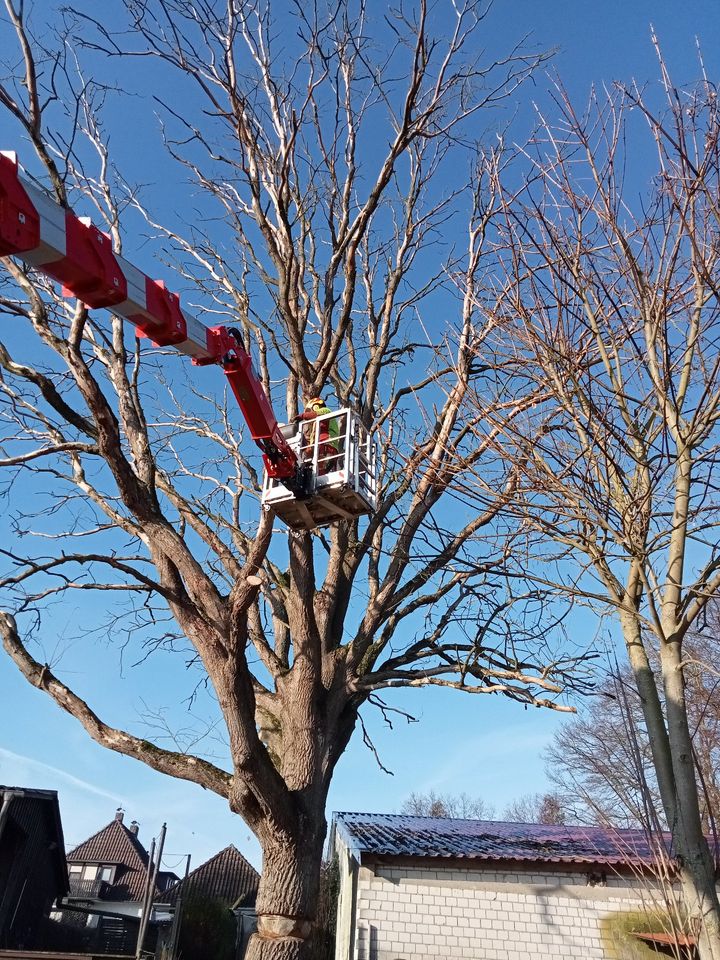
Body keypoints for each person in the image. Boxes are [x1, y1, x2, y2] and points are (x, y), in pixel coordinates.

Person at [295, 396, 340, 474]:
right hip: (322, 448)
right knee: (317, 473)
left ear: (315, 406)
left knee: (319, 471)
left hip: (327, 445)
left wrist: (302, 416)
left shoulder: (326, 411)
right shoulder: (316, 428)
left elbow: (314, 414)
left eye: (309, 410)